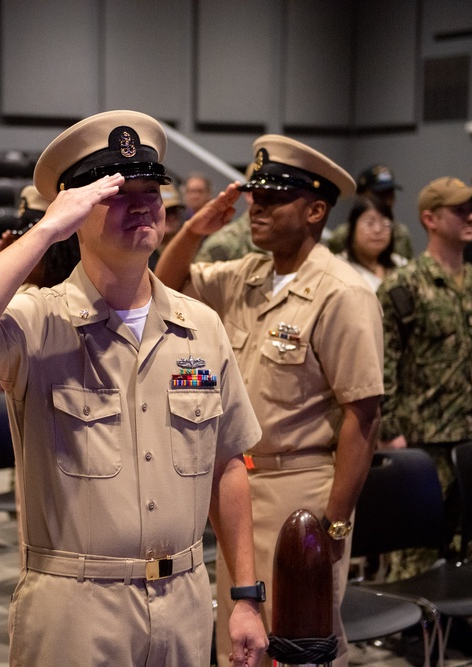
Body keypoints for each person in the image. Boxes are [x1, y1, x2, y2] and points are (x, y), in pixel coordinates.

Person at [0, 110, 268, 667]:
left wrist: (246, 598)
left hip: (182, 599)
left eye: (150, 189)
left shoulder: (201, 327)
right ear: (74, 210)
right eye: (114, 192)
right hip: (76, 608)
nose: (141, 204)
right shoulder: (39, 321)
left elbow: (228, 464)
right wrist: (44, 231)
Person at [155, 134, 383, 667]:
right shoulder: (245, 277)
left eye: (272, 199)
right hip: (238, 488)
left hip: (299, 491)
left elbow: (363, 415)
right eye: (254, 196)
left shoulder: (342, 293)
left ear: (315, 210)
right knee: (240, 646)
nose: (255, 208)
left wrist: (335, 524)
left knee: (297, 643)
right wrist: (193, 229)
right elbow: (163, 287)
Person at [375, 179, 472, 656]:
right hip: (423, 435)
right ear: (430, 218)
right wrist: (390, 430)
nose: (471, 217)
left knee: (462, 535)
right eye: (460, 211)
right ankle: (410, 628)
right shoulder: (404, 286)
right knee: (416, 543)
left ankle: (456, 621)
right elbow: (384, 361)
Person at [327, 164, 414, 260]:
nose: (387, 201)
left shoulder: (400, 233)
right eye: (379, 195)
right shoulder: (343, 234)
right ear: (361, 195)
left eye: (390, 194)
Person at [337, 195, 407, 291]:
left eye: (385, 224)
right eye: (369, 223)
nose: (378, 230)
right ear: (353, 229)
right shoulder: (339, 268)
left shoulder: (401, 264)